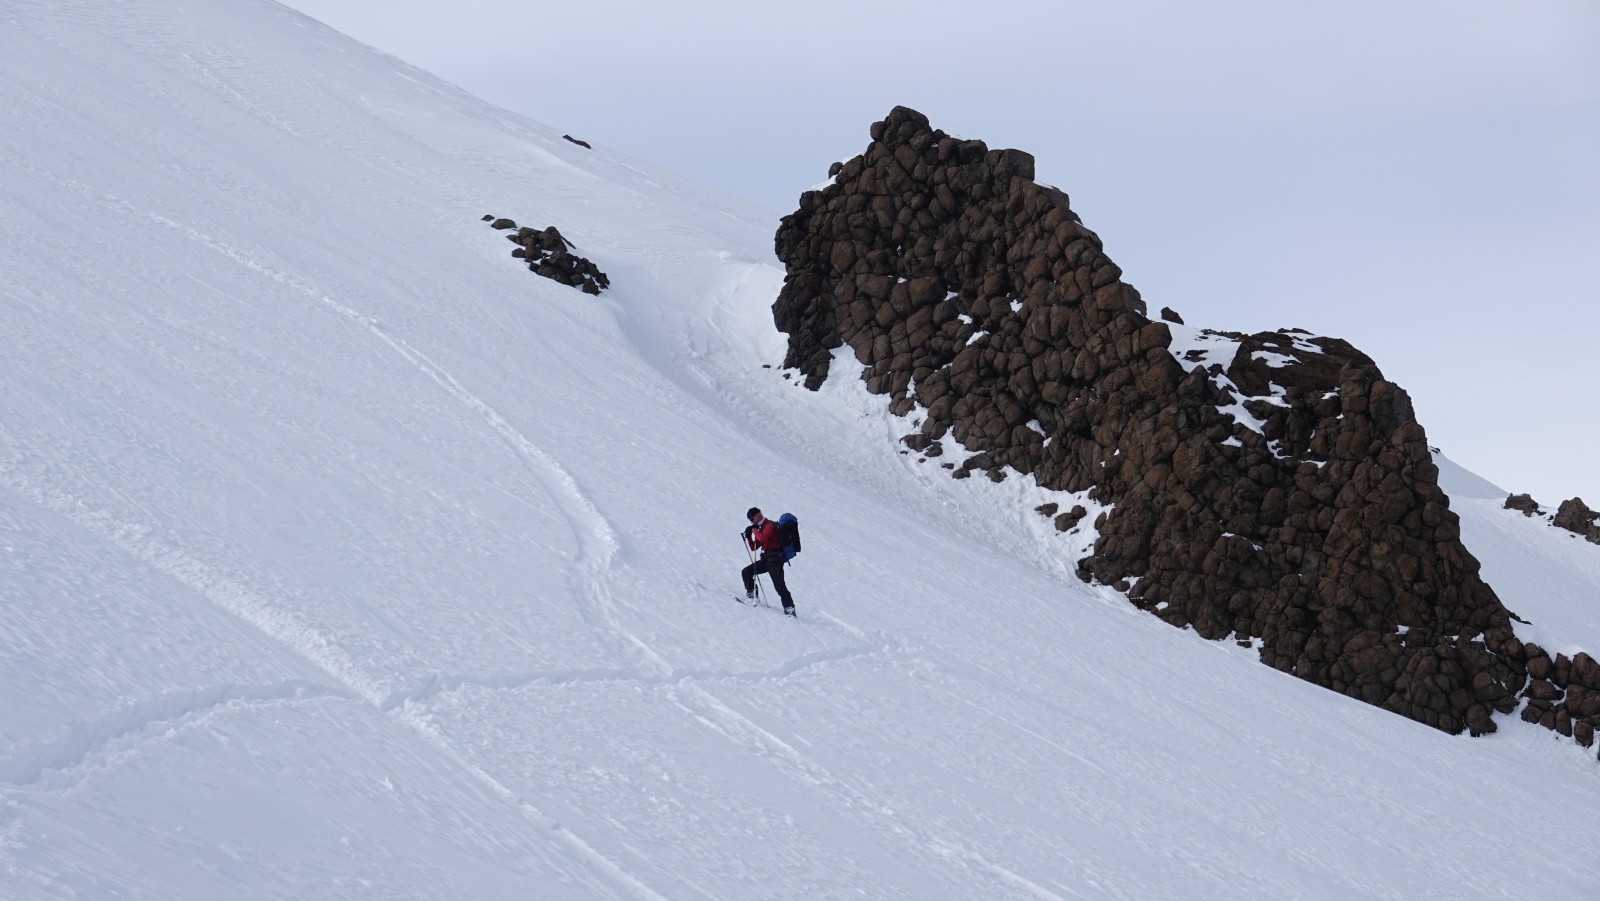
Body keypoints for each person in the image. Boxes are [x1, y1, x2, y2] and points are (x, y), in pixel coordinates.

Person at [741, 506, 796, 616]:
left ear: (758, 515)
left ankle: (789, 607)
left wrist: (753, 530)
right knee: (746, 572)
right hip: (766, 559)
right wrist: (748, 537)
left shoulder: (770, 525)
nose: (751, 521)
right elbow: (754, 547)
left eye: (752, 519)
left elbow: (762, 538)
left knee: (779, 585)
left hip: (775, 561)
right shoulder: (760, 528)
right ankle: (752, 595)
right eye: (750, 520)